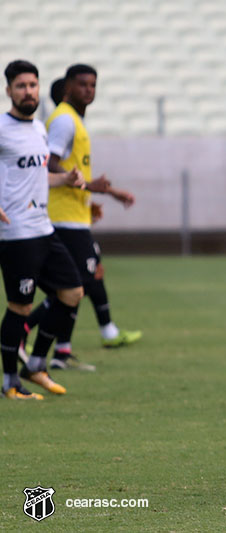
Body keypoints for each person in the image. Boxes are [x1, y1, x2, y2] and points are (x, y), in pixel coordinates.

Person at [23, 64, 141, 371]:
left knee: (75, 286)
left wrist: (94, 198)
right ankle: (24, 333)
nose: (89, 90)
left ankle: (60, 353)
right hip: (63, 219)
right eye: (82, 84)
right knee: (75, 285)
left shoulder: (73, 119)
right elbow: (49, 163)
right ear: (67, 88)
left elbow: (69, 170)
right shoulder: (64, 120)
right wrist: (90, 187)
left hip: (73, 215)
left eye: (93, 85)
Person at [0, 59, 87, 399]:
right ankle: (10, 383)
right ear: (9, 91)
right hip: (16, 234)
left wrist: (65, 179)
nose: (28, 91)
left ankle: (35, 364)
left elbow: (37, 175)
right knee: (20, 307)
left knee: (72, 293)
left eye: (32, 85)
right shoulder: (2, 128)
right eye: (21, 86)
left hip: (43, 229)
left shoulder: (38, 129)